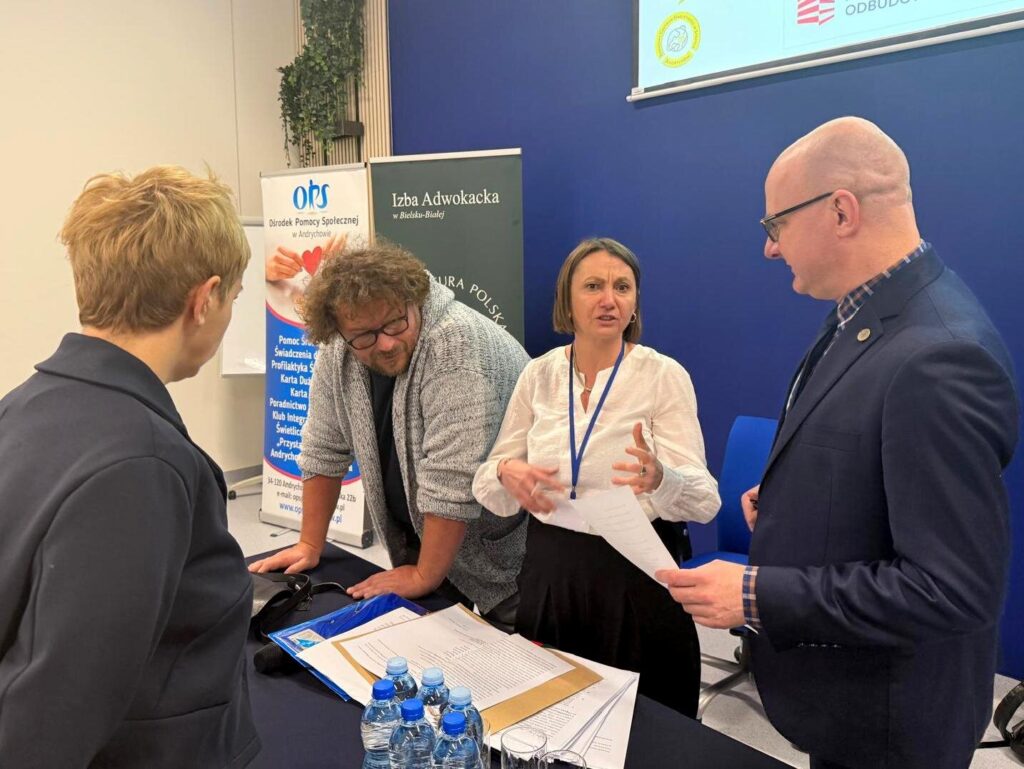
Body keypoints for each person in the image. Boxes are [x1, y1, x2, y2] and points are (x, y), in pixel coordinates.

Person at [657, 117, 1019, 768]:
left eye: (776, 224)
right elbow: (873, 464)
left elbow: (949, 588)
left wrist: (754, 594)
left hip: (890, 726)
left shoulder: (938, 356)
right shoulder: (864, 313)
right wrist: (795, 500)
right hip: (849, 703)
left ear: (842, 212)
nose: (770, 248)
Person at [0, 167, 260, 767]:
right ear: (204, 300)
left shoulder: (25, 405)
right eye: (234, 299)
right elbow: (53, 718)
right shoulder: (140, 465)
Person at [472, 237, 720, 716]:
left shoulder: (663, 376)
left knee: (645, 723)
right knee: (550, 716)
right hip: (551, 572)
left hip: (634, 573)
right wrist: (505, 471)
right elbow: (487, 482)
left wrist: (661, 478)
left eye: (622, 287)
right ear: (567, 301)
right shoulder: (538, 375)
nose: (609, 300)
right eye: (593, 286)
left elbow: (705, 500)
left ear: (635, 303)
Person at [249, 243, 529, 628]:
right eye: (364, 335)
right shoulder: (339, 349)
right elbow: (323, 448)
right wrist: (310, 543)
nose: (385, 343)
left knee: (516, 646)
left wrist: (424, 575)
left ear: (415, 300)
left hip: (506, 553)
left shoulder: (456, 347)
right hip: (428, 539)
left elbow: (452, 482)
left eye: (395, 323)